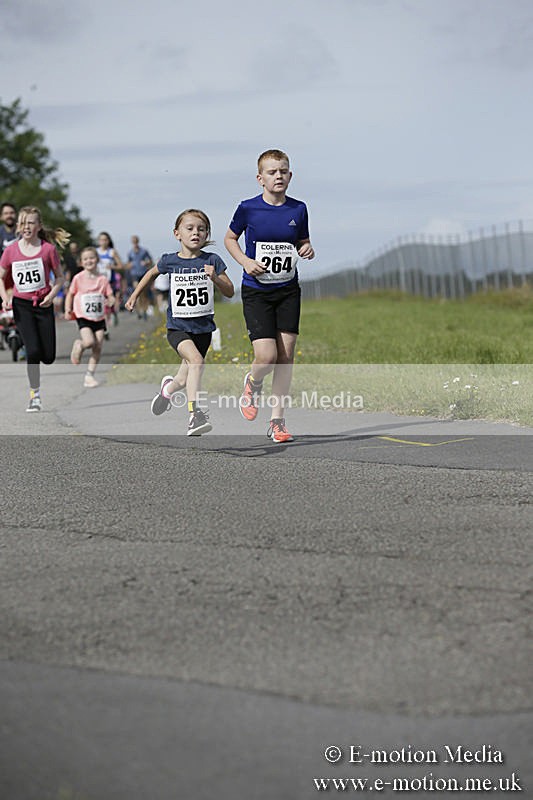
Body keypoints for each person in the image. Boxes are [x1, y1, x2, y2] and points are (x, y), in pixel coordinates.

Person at [224, 148, 315, 443]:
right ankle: (253, 381)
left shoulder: (298, 209)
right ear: (260, 178)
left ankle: (277, 422)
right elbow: (230, 239)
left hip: (288, 290)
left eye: (283, 171)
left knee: (286, 357)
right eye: (272, 172)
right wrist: (245, 262)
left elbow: (303, 241)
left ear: (291, 175)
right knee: (266, 356)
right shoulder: (248, 208)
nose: (279, 176)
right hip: (257, 292)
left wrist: (307, 249)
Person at [126, 209, 234, 436]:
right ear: (177, 233)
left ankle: (167, 390)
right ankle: (195, 415)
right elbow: (150, 274)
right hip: (178, 328)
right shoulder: (170, 260)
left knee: (185, 378)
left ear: (207, 234)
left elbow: (230, 291)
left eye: (202, 229)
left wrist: (215, 278)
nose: (196, 232)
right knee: (196, 362)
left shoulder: (212, 260)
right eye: (190, 228)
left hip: (203, 329)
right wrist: (135, 295)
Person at [0, 206, 68, 411]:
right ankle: (35, 395)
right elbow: (0, 276)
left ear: (39, 226)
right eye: (23, 222)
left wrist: (51, 295)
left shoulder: (48, 249)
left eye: (30, 222)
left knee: (48, 356)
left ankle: (22, 339)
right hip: (22, 305)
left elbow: (60, 277)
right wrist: (4, 297)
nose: (25, 226)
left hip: (43, 304)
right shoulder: (11, 250)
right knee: (33, 351)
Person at [64, 246, 115, 388]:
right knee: (89, 342)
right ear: (81, 262)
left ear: (97, 260)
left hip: (99, 317)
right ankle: (79, 345)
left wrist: (110, 301)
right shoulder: (78, 278)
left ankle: (89, 375)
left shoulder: (102, 279)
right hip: (83, 316)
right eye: (85, 259)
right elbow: (70, 294)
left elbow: (110, 296)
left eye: (92, 258)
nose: (89, 261)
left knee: (98, 346)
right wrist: (68, 309)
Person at [96, 231, 123, 328]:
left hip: (110, 280)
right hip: (98, 280)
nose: (103, 242)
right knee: (100, 301)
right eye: (101, 240)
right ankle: (103, 322)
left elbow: (120, 265)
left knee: (109, 301)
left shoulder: (112, 252)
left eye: (105, 240)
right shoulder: (95, 252)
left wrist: (112, 267)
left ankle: (111, 315)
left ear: (108, 241)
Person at [125, 235, 153, 318]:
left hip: (143, 273)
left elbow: (150, 260)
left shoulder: (144, 251)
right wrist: (129, 265)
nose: (135, 243)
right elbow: (128, 263)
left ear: (138, 241)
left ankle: (144, 309)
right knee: (136, 292)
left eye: (136, 241)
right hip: (134, 274)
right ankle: (139, 310)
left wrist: (146, 263)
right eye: (133, 242)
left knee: (143, 293)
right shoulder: (130, 253)